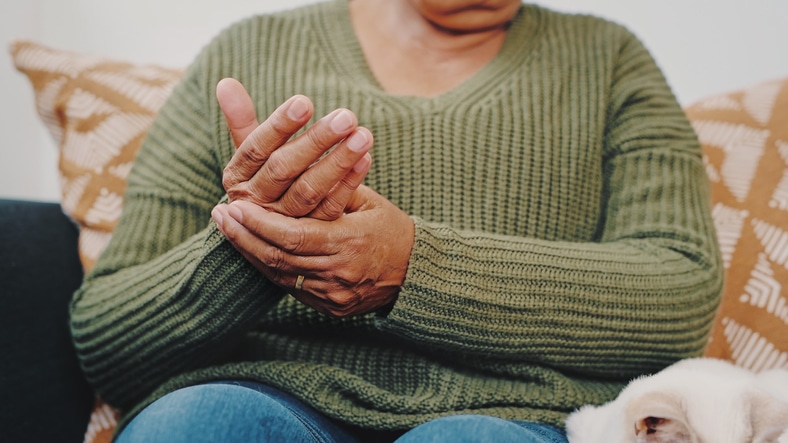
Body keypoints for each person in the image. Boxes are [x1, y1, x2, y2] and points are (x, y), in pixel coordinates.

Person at [69, 0, 725, 442]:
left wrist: (414, 266)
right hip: (263, 390)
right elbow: (109, 342)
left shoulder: (609, 60)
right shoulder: (245, 51)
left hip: (514, 412)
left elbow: (680, 292)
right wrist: (257, 244)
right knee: (199, 425)